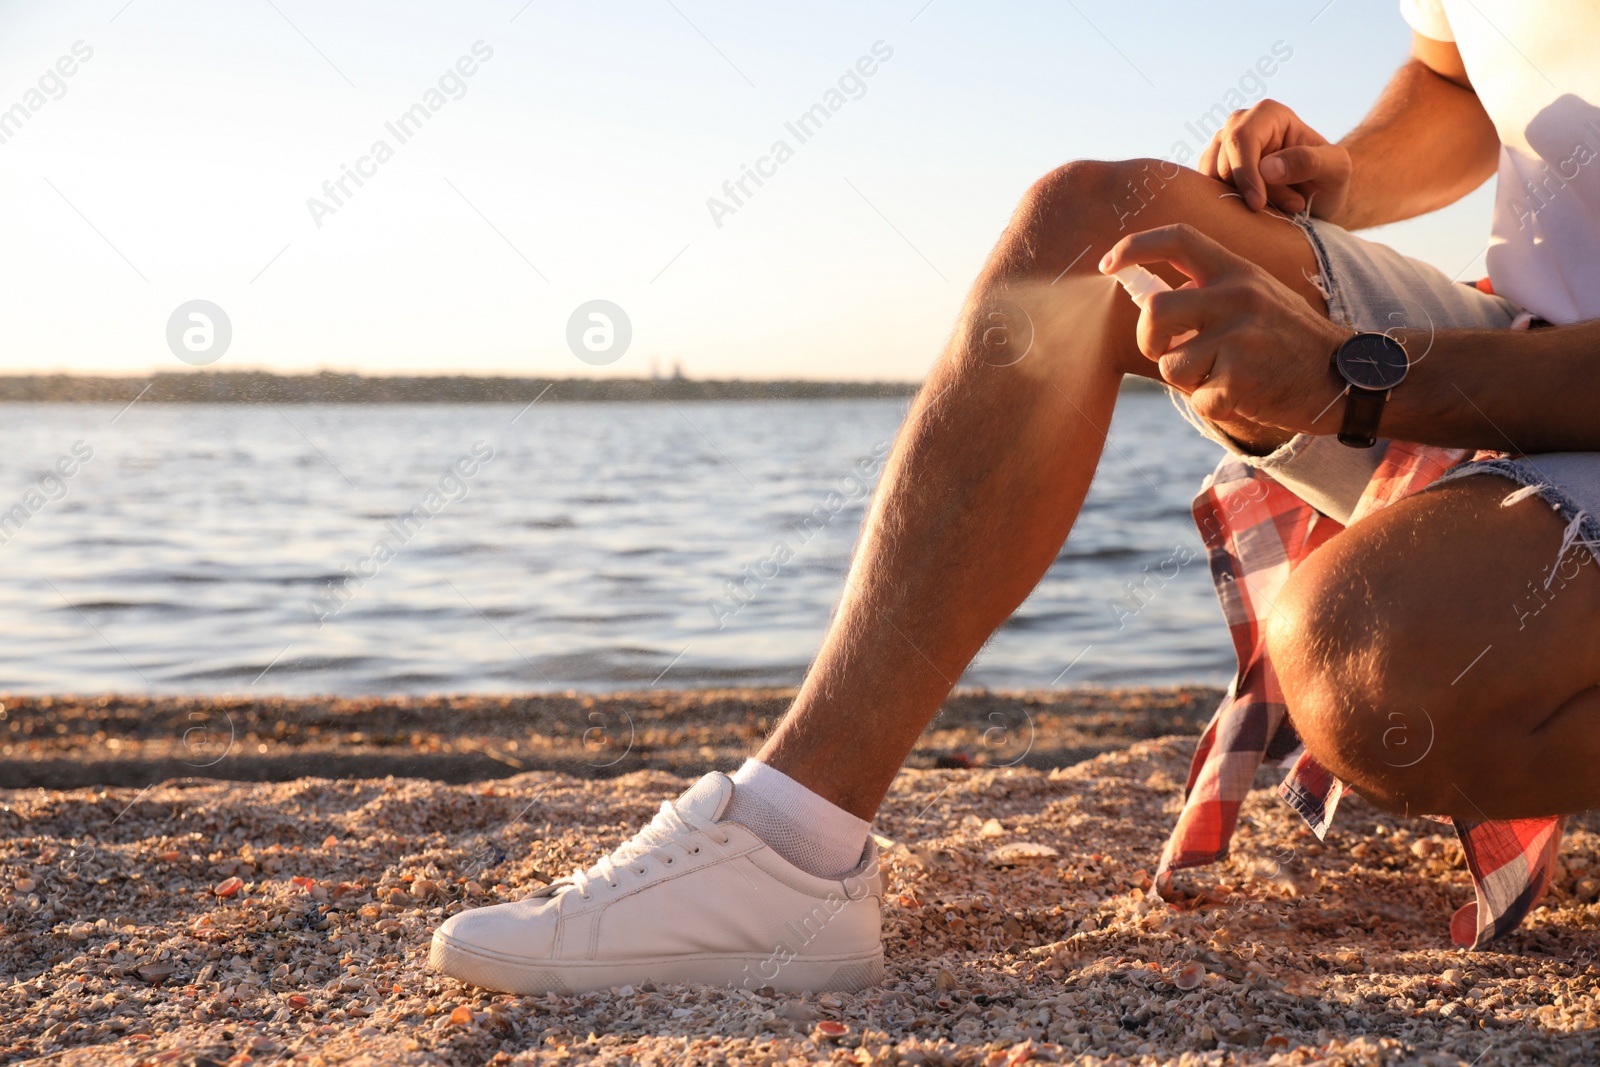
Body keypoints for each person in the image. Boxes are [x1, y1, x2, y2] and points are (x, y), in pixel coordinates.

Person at [430, 0, 1600, 993]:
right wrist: (1346, 172)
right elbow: (1459, 70)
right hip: (1540, 325)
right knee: (1093, 235)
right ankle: (786, 843)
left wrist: (1349, 374)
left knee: (1376, 662)